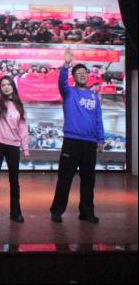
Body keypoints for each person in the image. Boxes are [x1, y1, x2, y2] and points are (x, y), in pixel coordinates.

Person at [50, 48, 105, 223]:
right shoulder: (69, 92)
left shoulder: (94, 96)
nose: (82, 75)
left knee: (89, 180)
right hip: (72, 141)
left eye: (84, 72)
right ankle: (57, 211)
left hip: (89, 143)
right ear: (74, 77)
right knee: (65, 178)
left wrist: (101, 138)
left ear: (88, 75)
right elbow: (62, 82)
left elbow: (98, 118)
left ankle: (86, 212)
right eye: (78, 73)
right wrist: (66, 65)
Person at [0, 51, 30, 223]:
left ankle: (15, 213)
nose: (6, 87)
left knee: (14, 181)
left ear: (13, 87)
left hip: (13, 146)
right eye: (3, 85)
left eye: (8, 84)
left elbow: (23, 128)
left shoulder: (19, 105)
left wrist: (25, 148)